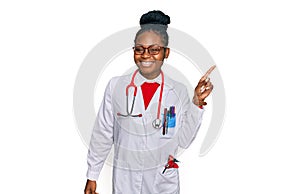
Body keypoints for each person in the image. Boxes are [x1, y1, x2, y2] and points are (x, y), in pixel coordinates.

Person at [84, 10, 215, 194]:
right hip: (125, 181)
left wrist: (196, 104)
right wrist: (92, 174)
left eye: (154, 49)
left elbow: (184, 141)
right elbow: (103, 133)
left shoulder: (177, 91)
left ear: (166, 53)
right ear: (134, 51)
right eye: (140, 49)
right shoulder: (116, 87)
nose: (146, 55)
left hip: (162, 182)